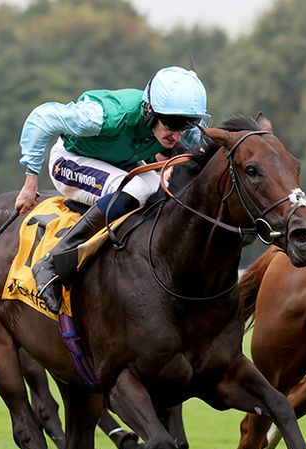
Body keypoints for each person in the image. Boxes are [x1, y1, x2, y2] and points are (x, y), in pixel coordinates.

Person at [15, 66, 210, 314]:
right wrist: (29, 184)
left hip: (118, 165)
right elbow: (41, 118)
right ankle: (53, 261)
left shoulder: (176, 123)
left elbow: (207, 146)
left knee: (162, 189)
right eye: (172, 124)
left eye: (187, 124)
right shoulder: (104, 116)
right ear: (149, 110)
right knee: (140, 186)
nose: (177, 134)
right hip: (70, 160)